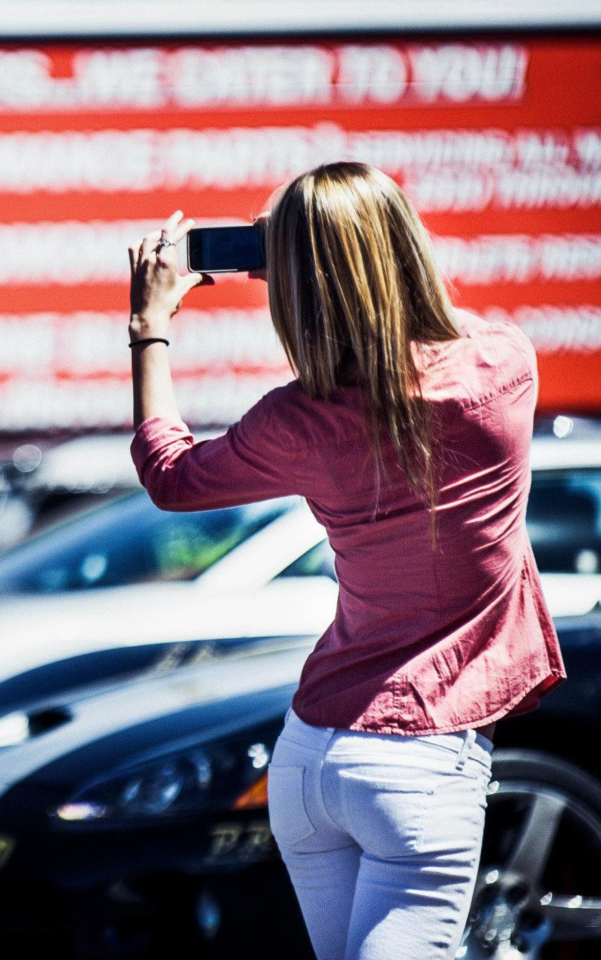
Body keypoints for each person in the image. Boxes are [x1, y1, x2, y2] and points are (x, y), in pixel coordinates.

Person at [128, 162, 567, 960]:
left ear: (289, 282)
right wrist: (331, 254)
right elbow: (437, 328)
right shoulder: (504, 368)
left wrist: (150, 326)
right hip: (423, 757)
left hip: (310, 756)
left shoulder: (296, 419)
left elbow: (169, 473)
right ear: (403, 247)